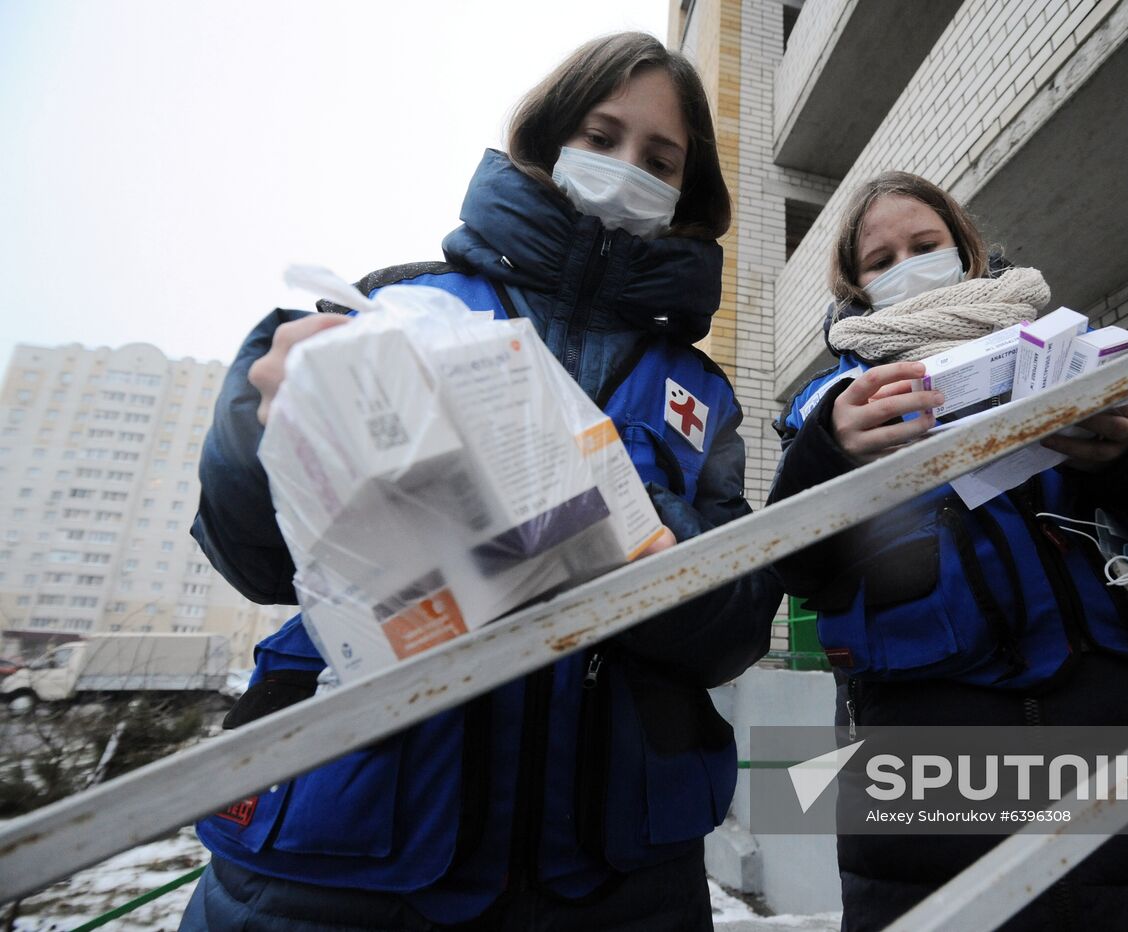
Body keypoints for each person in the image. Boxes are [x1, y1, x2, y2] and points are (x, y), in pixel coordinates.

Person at [180, 32, 781, 931]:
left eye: (660, 158)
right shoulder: (397, 305)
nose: (627, 167)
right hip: (342, 856)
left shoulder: (701, 391)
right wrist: (256, 422)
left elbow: (731, 631)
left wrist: (621, 519)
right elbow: (256, 561)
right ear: (546, 142)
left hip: (618, 877)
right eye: (601, 135)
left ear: (687, 192)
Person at [768, 172, 1128, 931]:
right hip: (928, 745)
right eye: (881, 261)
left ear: (968, 251)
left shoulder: (1074, 353)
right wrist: (829, 457)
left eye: (925, 245)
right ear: (854, 286)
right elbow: (797, 569)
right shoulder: (831, 407)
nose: (907, 266)